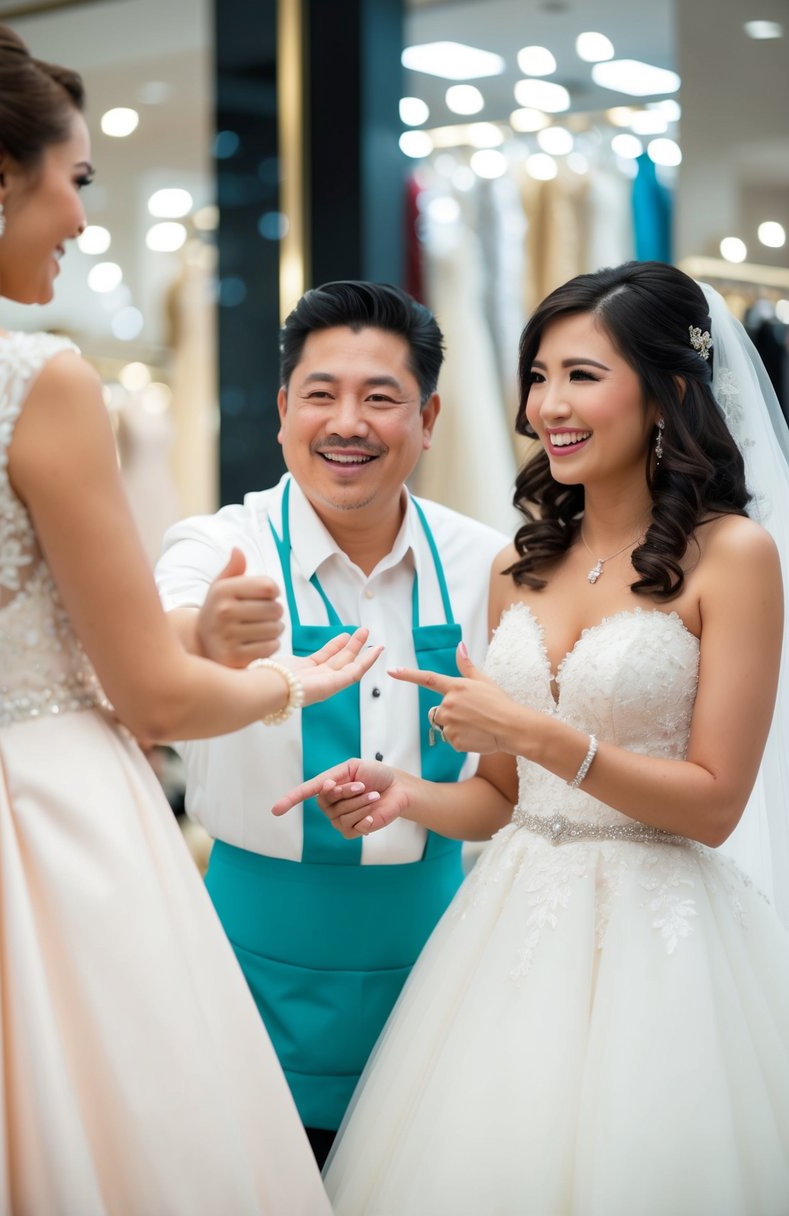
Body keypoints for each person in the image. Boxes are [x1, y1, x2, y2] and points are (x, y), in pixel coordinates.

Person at [0, 16, 382, 1214]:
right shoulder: (30, 379)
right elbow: (152, 695)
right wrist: (296, 678)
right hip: (42, 821)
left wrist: (185, 638)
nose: (84, 221)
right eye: (73, 180)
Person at [273, 262, 789, 1214]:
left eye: (582, 376)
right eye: (539, 375)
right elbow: (503, 796)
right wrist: (405, 794)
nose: (548, 404)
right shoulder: (524, 560)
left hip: (662, 941)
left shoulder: (735, 557)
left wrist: (543, 736)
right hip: (511, 929)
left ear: (667, 390)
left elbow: (715, 803)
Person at [154, 279, 509, 1162]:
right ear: (282, 411)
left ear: (428, 420)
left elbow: (505, 793)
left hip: (435, 955)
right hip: (244, 958)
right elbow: (155, 646)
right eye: (321, 394)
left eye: (380, 398)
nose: (347, 422)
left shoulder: (484, 566)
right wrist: (202, 634)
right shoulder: (217, 546)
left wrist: (417, 798)